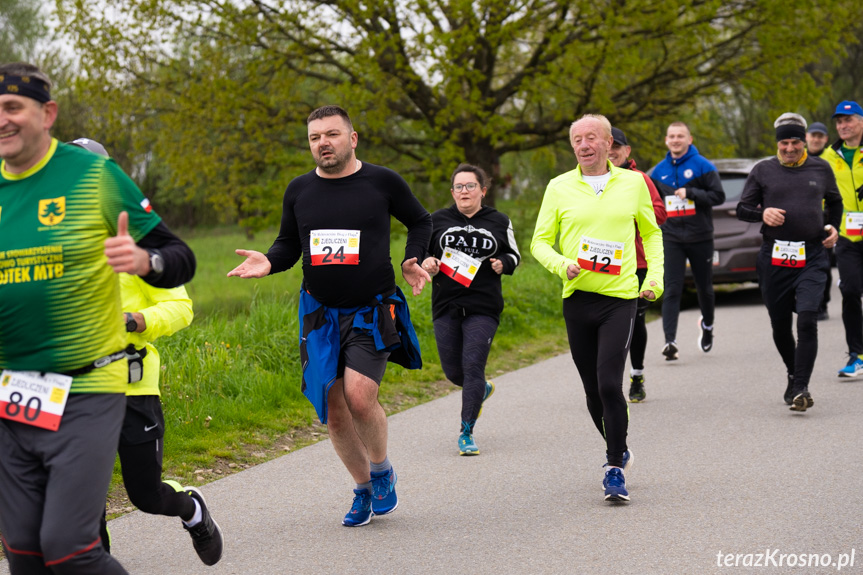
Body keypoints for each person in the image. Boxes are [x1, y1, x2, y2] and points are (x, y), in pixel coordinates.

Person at [0, 62, 196, 575]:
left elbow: (180, 277)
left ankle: (189, 509)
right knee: (23, 550)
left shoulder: (98, 184)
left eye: (12, 107)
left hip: (101, 381)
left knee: (79, 540)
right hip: (19, 389)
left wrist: (145, 266)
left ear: (48, 116)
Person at [227, 105, 432, 527]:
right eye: (315, 137)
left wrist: (414, 259)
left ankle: (381, 470)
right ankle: (361, 489)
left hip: (371, 310)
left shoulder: (382, 181)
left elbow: (420, 220)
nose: (323, 143)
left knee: (359, 396)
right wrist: (268, 261)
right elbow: (288, 245)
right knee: (334, 410)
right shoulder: (299, 190)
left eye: (332, 134)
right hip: (319, 314)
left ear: (352, 139)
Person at [68, 138, 222, 566]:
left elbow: (181, 306)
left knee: (145, 495)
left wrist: (135, 320)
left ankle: (192, 510)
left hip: (132, 384)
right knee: (85, 496)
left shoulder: (138, 239)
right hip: (75, 389)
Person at [531, 114, 663, 503]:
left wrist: (653, 279)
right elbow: (540, 242)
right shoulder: (558, 187)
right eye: (576, 139)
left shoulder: (634, 183)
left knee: (609, 383)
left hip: (620, 297)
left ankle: (613, 468)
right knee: (592, 390)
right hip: (577, 298)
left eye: (591, 137)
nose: (584, 145)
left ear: (609, 144)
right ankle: (619, 447)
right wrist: (561, 265)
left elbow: (652, 234)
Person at [736, 113, 841, 412]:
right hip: (775, 257)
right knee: (780, 325)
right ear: (778, 143)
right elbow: (743, 208)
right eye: (785, 142)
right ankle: (793, 372)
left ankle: (801, 387)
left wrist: (834, 225)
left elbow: (835, 202)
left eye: (796, 141)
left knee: (807, 318)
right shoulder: (763, 170)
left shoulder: (821, 168)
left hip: (812, 254)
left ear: (805, 141)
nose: (790, 147)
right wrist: (763, 214)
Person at [421, 164, 520, 455]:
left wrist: (505, 263)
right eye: (459, 187)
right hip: (446, 303)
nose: (465, 192)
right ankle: (479, 390)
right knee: (454, 372)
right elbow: (421, 252)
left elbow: (514, 254)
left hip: (483, 304)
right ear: (452, 192)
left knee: (473, 365)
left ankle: (466, 431)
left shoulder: (499, 220)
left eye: (471, 186)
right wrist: (428, 262)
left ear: (483, 190)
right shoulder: (435, 220)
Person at [650, 122, 725, 360]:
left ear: (689, 139)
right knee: (672, 287)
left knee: (704, 287)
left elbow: (718, 196)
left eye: (680, 136)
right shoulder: (658, 171)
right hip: (671, 237)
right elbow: (653, 204)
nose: (675, 140)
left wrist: (691, 193)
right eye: (671, 136)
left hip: (700, 236)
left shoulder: (703, 166)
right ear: (666, 140)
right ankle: (669, 341)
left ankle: (708, 327)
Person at [607, 127, 667, 402]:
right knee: (606, 322)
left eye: (616, 146)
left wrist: (628, 216)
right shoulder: (590, 181)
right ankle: (607, 381)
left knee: (635, 320)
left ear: (626, 151)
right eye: (606, 145)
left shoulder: (640, 179)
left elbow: (660, 213)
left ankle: (637, 375)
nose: (611, 151)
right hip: (602, 262)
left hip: (637, 261)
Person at [820, 101, 863, 377]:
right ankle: (856, 355)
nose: (842, 126)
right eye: (838, 122)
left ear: (860, 121)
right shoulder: (827, 156)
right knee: (849, 291)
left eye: (848, 120)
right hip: (847, 236)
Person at [806, 121, 834, 320]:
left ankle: (822, 304)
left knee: (823, 261)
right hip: (804, 218)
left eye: (820, 136)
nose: (815, 139)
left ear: (825, 139)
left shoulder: (831, 159)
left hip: (825, 217)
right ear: (806, 137)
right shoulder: (799, 158)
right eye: (812, 135)